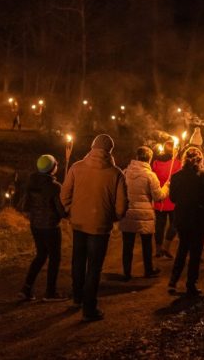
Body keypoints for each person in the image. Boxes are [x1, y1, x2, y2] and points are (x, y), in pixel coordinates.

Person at [61, 134, 127, 322]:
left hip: (79, 223)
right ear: (109, 151)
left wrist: (69, 211)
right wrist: (111, 217)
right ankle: (89, 308)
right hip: (100, 227)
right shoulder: (116, 174)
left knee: (78, 261)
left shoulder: (76, 167)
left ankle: (77, 298)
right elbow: (122, 206)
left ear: (92, 147)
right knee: (94, 267)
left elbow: (64, 194)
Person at [19, 155, 68, 302]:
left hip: (35, 225)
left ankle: (26, 288)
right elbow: (61, 211)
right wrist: (66, 210)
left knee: (40, 255)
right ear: (52, 168)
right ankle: (50, 292)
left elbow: (25, 205)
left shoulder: (31, 183)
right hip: (51, 226)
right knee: (54, 258)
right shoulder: (54, 187)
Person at [168, 147, 204, 295]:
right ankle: (191, 284)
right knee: (195, 253)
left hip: (183, 218)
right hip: (199, 219)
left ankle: (173, 281)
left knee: (182, 249)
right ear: (201, 160)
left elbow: (173, 198)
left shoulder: (176, 177)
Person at [119, 146, 168, 281]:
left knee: (127, 245)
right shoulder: (150, 176)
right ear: (149, 159)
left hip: (128, 213)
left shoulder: (125, 172)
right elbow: (158, 196)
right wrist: (166, 187)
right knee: (146, 245)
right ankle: (148, 270)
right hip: (144, 215)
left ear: (136, 156)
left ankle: (126, 273)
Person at [152, 141, 181, 259]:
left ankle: (158, 249)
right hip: (173, 199)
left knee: (159, 225)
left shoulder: (155, 163)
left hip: (159, 200)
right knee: (175, 224)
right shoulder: (177, 164)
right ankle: (166, 247)